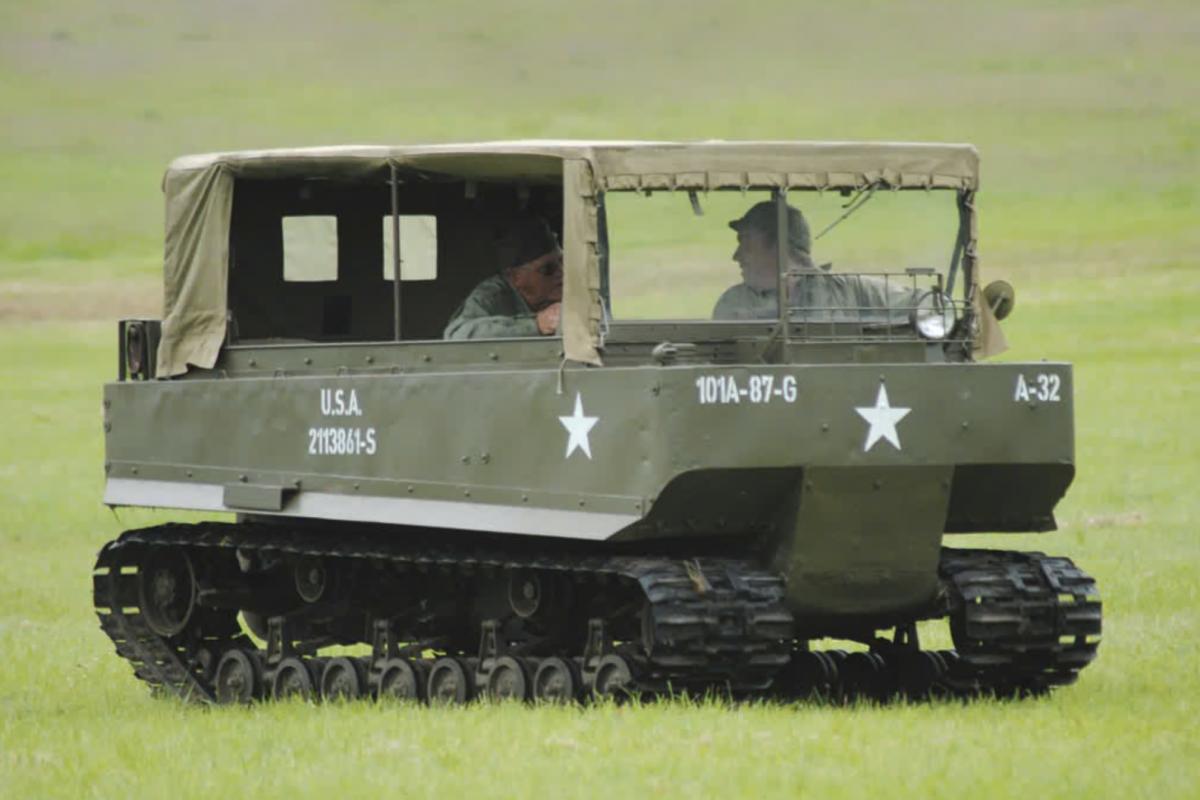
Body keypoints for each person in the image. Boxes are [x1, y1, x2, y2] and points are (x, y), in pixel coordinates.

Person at [443, 217, 564, 339]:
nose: (562, 272)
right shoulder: (493, 294)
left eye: (562, 262)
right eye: (548, 269)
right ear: (516, 277)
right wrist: (536, 325)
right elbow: (457, 334)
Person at [712, 201, 816, 320]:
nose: (736, 256)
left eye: (746, 242)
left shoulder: (836, 293)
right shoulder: (735, 301)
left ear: (778, 246)